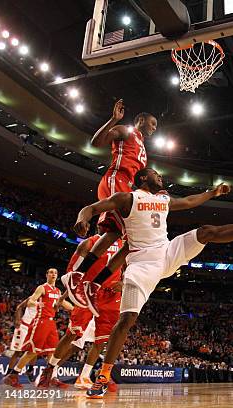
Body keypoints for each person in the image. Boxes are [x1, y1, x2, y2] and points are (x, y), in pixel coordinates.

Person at [72, 167, 233, 398]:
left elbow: (190, 200)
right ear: (143, 178)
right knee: (126, 320)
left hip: (167, 251)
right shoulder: (127, 198)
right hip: (142, 264)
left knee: (205, 232)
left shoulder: (163, 199)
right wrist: (82, 220)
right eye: (155, 173)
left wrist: (213, 193)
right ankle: (102, 376)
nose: (159, 175)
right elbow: (91, 208)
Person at [63, 99, 156, 314]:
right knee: (118, 234)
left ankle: (93, 284)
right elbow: (96, 143)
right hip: (116, 179)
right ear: (140, 120)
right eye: (152, 123)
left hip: (129, 188)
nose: (153, 128)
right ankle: (77, 276)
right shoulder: (126, 130)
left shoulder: (143, 146)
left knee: (127, 240)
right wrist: (113, 119)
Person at [37, 230, 124, 390]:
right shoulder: (90, 243)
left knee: (102, 340)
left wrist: (123, 282)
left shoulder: (123, 243)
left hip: (110, 295)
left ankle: (97, 377)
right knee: (73, 334)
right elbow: (75, 275)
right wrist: (65, 296)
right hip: (88, 291)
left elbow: (127, 266)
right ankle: (49, 369)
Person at [2, 268, 74, 388]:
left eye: (55, 273)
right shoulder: (42, 287)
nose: (53, 274)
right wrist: (36, 303)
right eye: (51, 272)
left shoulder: (57, 291)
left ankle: (52, 378)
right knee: (32, 352)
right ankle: (13, 375)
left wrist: (78, 308)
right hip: (40, 322)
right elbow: (30, 301)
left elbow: (65, 304)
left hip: (51, 323)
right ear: (46, 275)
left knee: (53, 352)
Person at [6, 297, 38, 383]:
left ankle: (30, 370)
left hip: (35, 328)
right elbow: (19, 307)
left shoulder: (47, 302)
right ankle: (8, 373)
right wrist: (17, 319)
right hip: (23, 326)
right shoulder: (32, 298)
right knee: (18, 351)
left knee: (34, 351)